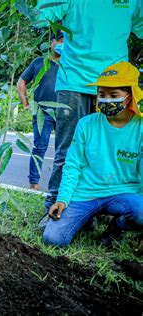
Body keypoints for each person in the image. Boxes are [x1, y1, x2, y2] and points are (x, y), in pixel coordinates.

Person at [35, 0, 142, 212]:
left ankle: (103, 209)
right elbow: (39, 16)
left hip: (116, 84)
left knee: (111, 150)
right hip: (75, 80)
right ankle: (55, 204)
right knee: (67, 149)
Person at [43, 61, 142, 247]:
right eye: (101, 94)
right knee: (53, 239)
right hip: (86, 192)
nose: (106, 100)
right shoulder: (86, 124)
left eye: (113, 95)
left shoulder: (141, 128)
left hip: (125, 192)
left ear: (131, 96)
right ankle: (84, 218)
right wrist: (62, 199)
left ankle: (117, 228)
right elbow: (72, 165)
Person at [17, 30, 63, 190]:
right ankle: (34, 183)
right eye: (58, 41)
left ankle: (60, 186)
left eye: (65, 41)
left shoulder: (70, 64)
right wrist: (26, 104)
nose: (61, 45)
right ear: (51, 43)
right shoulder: (39, 62)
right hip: (42, 112)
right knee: (40, 147)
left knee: (63, 149)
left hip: (64, 113)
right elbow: (21, 81)